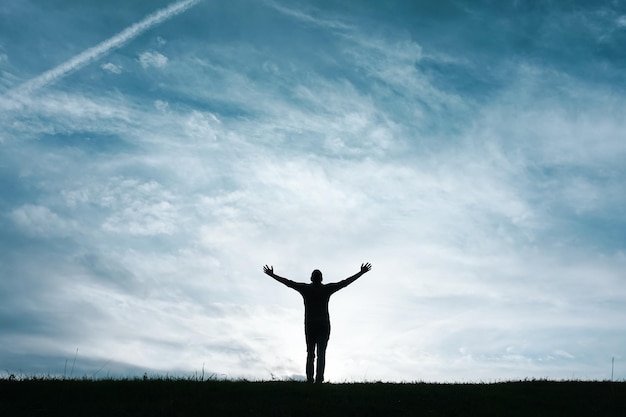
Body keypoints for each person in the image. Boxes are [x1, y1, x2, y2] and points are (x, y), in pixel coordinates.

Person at [263, 262, 372, 383]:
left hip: (311, 324)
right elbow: (344, 283)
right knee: (320, 353)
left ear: (311, 278)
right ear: (321, 279)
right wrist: (361, 273)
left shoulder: (306, 289)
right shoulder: (325, 289)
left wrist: (272, 275)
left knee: (311, 353)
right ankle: (318, 379)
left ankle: (311, 379)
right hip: (322, 324)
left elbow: (288, 283)